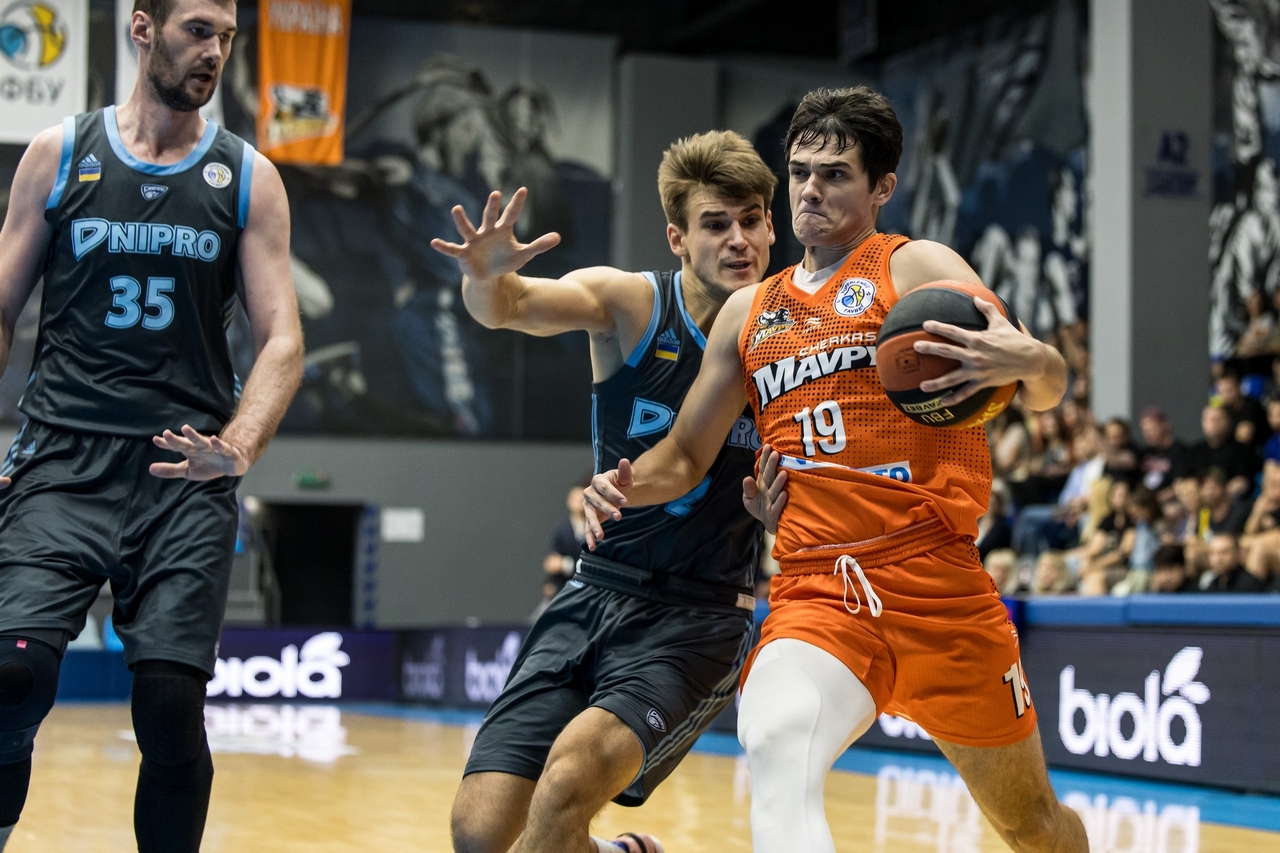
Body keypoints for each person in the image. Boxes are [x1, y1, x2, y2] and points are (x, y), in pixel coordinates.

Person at [583, 87, 1086, 853]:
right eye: (800, 172)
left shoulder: (915, 266)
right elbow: (684, 456)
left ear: (882, 187)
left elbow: (1042, 386)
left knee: (1032, 825)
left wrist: (1035, 359)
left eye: (835, 174)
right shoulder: (750, 311)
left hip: (938, 587)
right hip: (820, 591)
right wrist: (621, 483)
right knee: (774, 738)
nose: (810, 189)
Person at [0, 0, 304, 850]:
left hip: (184, 472)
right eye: (198, 30)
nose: (215, 51)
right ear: (142, 29)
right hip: (62, 460)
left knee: (170, 706)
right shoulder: (60, 154)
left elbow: (283, 339)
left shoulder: (248, 177)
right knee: (11, 675)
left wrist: (237, 447)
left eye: (227, 37)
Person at [431, 131, 778, 853]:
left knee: (566, 787)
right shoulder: (632, 304)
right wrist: (484, 278)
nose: (738, 239)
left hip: (698, 615)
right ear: (677, 238)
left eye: (751, 220)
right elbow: (511, 305)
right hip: (595, 591)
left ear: (772, 227)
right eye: (716, 223)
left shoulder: (792, 339)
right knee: (477, 832)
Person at [1186, 402, 1261, 496]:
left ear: (1228, 422)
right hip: (1200, 501)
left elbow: (1242, 482)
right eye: (1209, 419)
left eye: (1217, 419)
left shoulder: (1241, 451)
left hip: (1232, 502)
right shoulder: (1195, 451)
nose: (1213, 423)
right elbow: (1186, 481)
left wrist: (1219, 495)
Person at [1137, 407, 1186, 495]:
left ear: (1164, 425)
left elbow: (1180, 484)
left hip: (1169, 500)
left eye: (1152, 429)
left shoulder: (1180, 451)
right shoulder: (1145, 452)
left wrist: (1158, 498)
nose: (1148, 434)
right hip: (1144, 499)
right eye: (1145, 431)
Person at [1201, 533, 1267, 591]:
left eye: (1224, 553)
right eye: (1212, 553)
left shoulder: (1251, 585)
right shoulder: (1213, 584)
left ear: (1238, 554)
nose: (1217, 559)